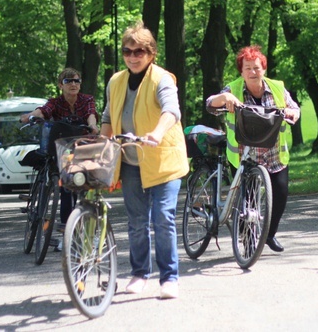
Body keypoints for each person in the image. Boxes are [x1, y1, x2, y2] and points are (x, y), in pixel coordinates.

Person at [101, 21, 188, 300]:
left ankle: (169, 278)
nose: (133, 56)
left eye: (139, 51)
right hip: (130, 159)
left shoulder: (162, 78)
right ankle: (139, 273)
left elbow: (171, 110)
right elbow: (107, 117)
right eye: (128, 51)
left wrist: (157, 133)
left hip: (162, 159)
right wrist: (104, 144)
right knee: (137, 221)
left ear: (151, 53)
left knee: (162, 217)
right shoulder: (116, 81)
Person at [206, 45, 300, 253]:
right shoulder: (234, 88)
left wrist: (293, 114)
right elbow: (210, 104)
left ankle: (269, 234)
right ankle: (248, 241)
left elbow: (294, 107)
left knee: (281, 193)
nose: (253, 72)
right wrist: (225, 99)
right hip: (244, 154)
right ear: (241, 71)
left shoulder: (276, 87)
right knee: (247, 200)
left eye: (256, 68)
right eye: (248, 68)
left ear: (263, 69)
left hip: (273, 152)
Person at [20, 67, 99, 250]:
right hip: (60, 151)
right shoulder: (55, 103)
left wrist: (92, 126)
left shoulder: (86, 100)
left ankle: (90, 233)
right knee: (65, 188)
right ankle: (66, 236)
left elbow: (91, 115)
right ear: (60, 85)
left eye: (76, 81)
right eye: (68, 81)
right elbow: (43, 111)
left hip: (81, 149)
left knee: (90, 187)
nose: (73, 84)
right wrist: (30, 116)